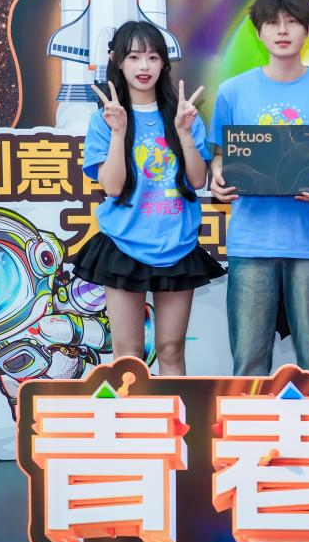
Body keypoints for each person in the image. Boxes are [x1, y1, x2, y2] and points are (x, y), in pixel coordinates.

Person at [209, 0, 309, 378]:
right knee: (249, 362)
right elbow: (219, 153)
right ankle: (247, 421)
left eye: (292, 21)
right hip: (251, 241)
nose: (283, 30)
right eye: (273, 22)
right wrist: (218, 176)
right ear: (259, 31)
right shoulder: (232, 92)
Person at [73, 20, 225, 376]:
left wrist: (184, 133)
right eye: (134, 57)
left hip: (177, 243)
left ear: (164, 63)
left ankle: (177, 413)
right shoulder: (105, 120)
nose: (144, 66)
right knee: (128, 353)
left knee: (171, 349)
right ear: (118, 61)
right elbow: (112, 187)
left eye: (153, 57)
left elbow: (197, 180)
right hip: (124, 244)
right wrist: (118, 132)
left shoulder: (184, 115)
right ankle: (132, 414)